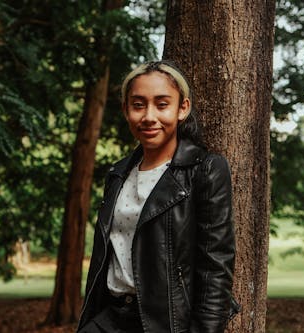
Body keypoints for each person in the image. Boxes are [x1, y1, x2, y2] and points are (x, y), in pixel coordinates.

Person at [77, 60, 239, 333]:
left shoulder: (206, 170)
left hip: (166, 323)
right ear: (127, 110)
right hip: (110, 317)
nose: (149, 116)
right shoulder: (118, 173)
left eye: (162, 104)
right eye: (138, 105)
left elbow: (216, 269)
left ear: (182, 108)